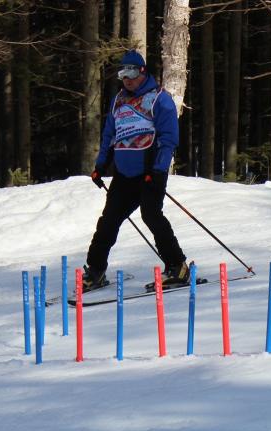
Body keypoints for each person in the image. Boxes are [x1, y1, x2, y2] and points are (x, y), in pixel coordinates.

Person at [85, 49, 188, 291]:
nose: (127, 79)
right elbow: (110, 136)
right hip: (124, 173)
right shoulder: (118, 101)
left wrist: (158, 170)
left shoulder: (159, 98)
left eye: (131, 73)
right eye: (123, 74)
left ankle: (177, 267)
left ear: (142, 72)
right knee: (108, 221)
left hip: (150, 172)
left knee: (151, 216)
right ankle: (96, 270)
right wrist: (100, 167)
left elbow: (168, 139)